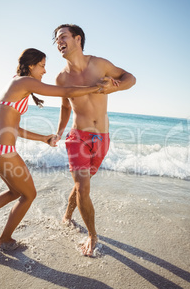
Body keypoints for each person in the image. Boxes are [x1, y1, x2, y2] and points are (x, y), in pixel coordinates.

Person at [0, 48, 106, 250]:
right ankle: (4, 239)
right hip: (4, 151)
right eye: (42, 66)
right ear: (31, 65)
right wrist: (95, 88)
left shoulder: (14, 84)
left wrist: (43, 138)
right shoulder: (24, 82)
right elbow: (65, 92)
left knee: (15, 192)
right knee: (29, 195)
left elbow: (14, 128)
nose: (44, 71)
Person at [53, 24, 136, 256]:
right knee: (83, 186)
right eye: (56, 39)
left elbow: (131, 78)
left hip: (102, 138)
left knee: (82, 186)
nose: (59, 42)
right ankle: (92, 235)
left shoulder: (99, 64)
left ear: (78, 39)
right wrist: (59, 132)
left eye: (63, 37)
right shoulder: (61, 78)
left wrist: (115, 88)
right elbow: (64, 107)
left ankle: (68, 215)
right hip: (77, 137)